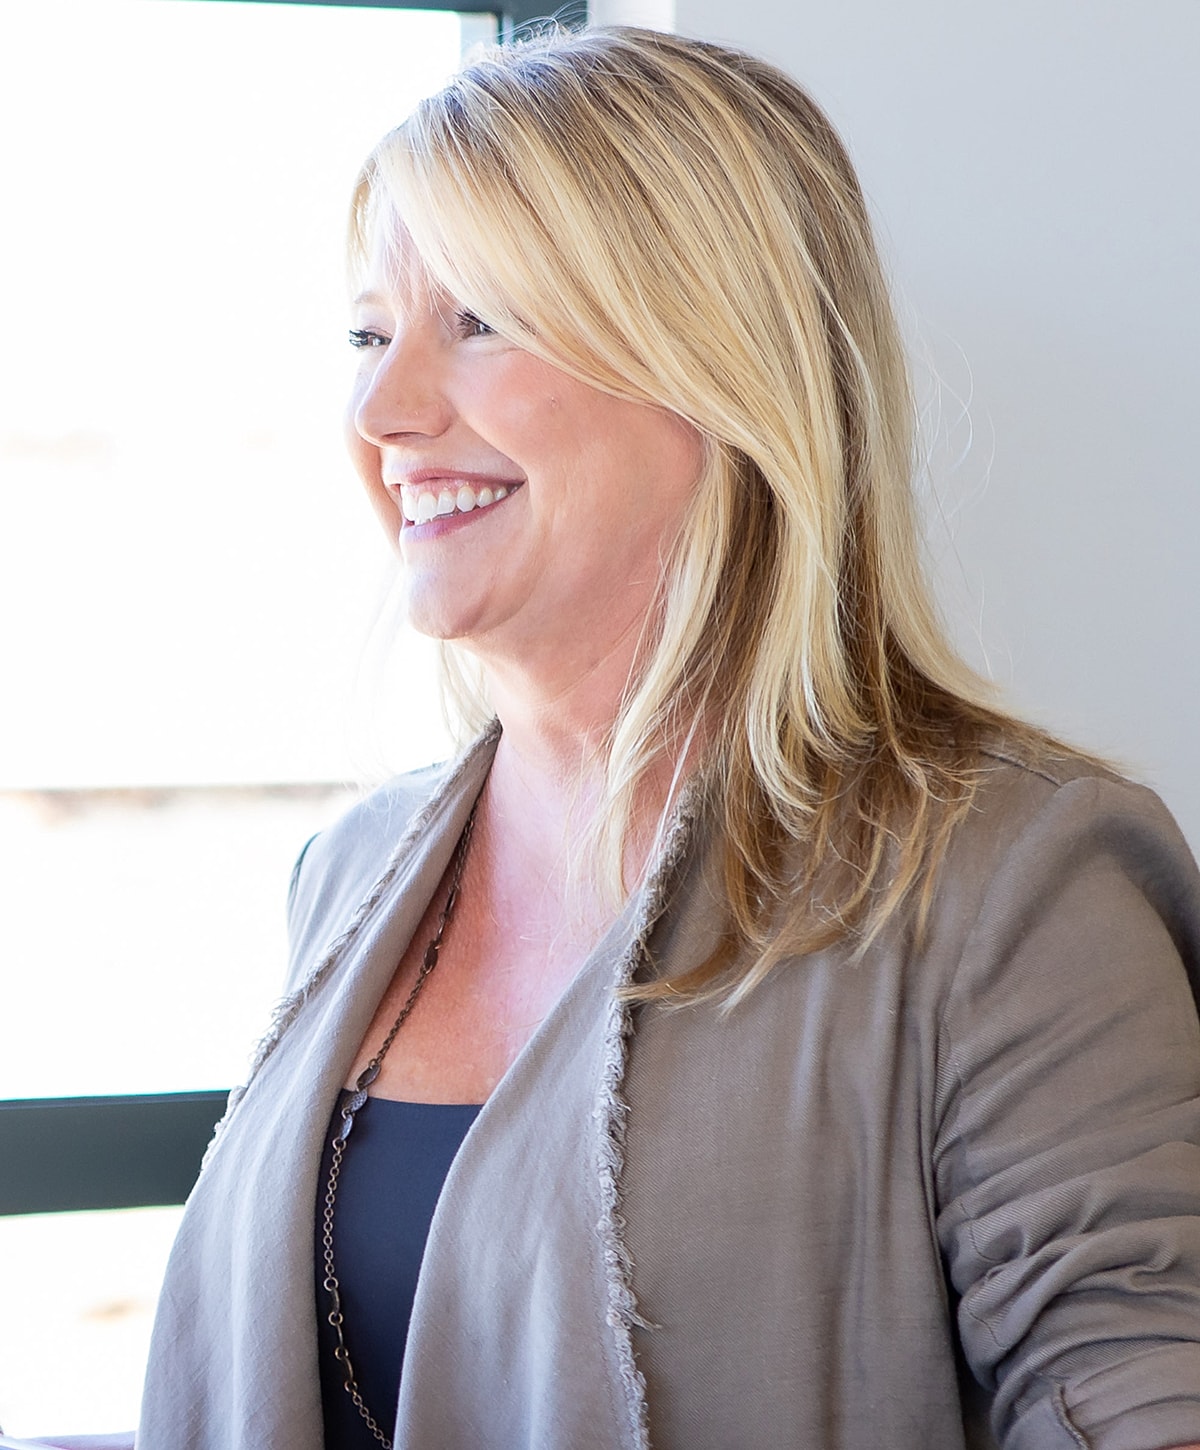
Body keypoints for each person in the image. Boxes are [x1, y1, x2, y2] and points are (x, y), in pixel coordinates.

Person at [127, 24, 1200, 1450]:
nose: (384, 413)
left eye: (479, 321)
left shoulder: (1013, 881)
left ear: (714, 363)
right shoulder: (355, 867)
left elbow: (1137, 1401)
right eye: (371, 333)